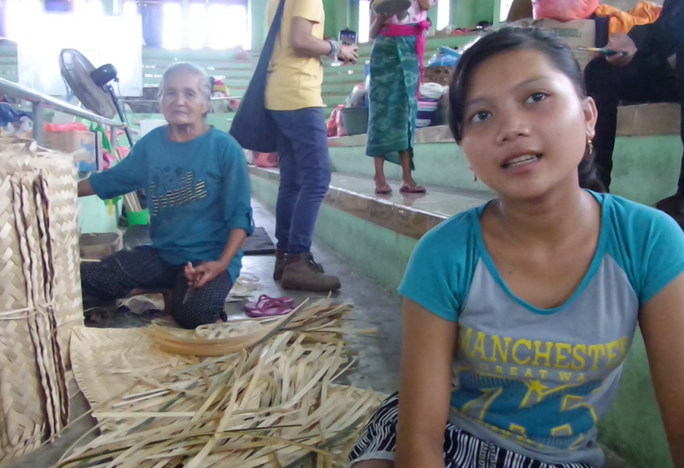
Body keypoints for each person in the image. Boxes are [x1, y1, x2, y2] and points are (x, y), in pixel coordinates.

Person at [337, 28, 684, 468]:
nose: (511, 127)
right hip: (445, 438)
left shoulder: (647, 242)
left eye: (536, 96)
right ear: (467, 153)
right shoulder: (446, 253)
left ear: (588, 117)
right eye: (481, 114)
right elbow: (420, 434)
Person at [78, 62, 254, 330]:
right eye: (170, 93)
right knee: (85, 280)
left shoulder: (224, 149)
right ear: (160, 100)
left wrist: (220, 264)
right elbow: (112, 180)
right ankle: (164, 286)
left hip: (209, 259)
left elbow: (240, 218)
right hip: (163, 255)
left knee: (194, 316)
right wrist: (58, 189)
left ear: (206, 104)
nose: (179, 101)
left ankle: (176, 291)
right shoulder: (151, 145)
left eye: (190, 94)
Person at [585, 0, 684, 234]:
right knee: (602, 70)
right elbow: (670, 26)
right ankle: (592, 187)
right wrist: (630, 42)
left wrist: (640, 39)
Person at [266, 0, 357, 293]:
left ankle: (284, 257)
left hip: (279, 92)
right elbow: (300, 40)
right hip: (299, 95)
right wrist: (336, 48)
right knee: (317, 178)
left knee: (292, 181)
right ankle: (297, 261)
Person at [368, 0, 436, 195]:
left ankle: (407, 177)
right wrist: (380, 18)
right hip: (385, 53)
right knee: (381, 113)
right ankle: (379, 176)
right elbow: (372, 33)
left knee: (407, 111)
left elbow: (425, 5)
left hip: (410, 50)